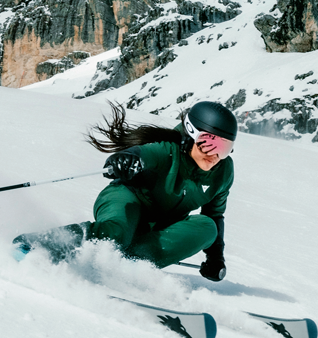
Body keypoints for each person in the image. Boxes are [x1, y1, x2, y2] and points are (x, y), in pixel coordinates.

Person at [87, 101, 237, 281]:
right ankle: (64, 241)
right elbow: (142, 153)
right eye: (208, 144)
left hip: (160, 226)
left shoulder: (223, 171)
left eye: (224, 148)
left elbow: (214, 214)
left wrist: (216, 257)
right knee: (118, 233)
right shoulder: (168, 150)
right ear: (191, 134)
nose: (215, 155)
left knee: (208, 228)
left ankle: (130, 264)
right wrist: (123, 160)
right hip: (127, 200)